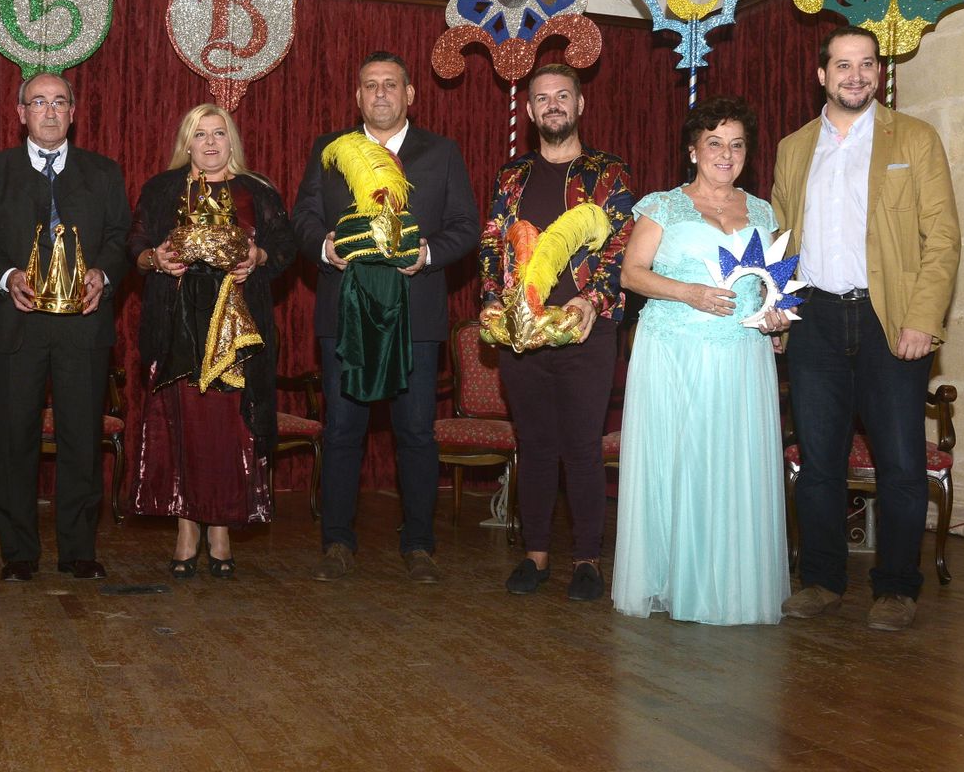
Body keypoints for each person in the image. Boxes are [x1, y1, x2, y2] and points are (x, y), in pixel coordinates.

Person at [771, 27, 960, 631]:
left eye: (867, 64)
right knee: (820, 461)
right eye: (842, 65)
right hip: (816, 321)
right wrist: (776, 309)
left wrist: (923, 321)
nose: (856, 75)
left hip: (890, 318)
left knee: (901, 463)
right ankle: (823, 582)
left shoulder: (916, 138)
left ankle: (897, 588)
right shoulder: (793, 148)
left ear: (879, 73)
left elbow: (944, 240)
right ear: (821, 75)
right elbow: (780, 241)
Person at [292, 51, 480, 583]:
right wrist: (325, 248)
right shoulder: (330, 150)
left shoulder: (441, 153)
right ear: (357, 96)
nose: (380, 94)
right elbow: (303, 216)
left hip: (415, 315)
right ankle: (336, 542)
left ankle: (419, 543)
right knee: (343, 430)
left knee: (416, 432)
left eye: (390, 85)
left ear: (410, 95)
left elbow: (466, 226)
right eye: (370, 85)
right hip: (344, 313)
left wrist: (426, 256)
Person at [610, 96, 791, 625]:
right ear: (693, 150)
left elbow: (771, 285)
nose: (725, 154)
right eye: (714, 143)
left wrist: (776, 320)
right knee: (682, 462)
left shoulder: (762, 211)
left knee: (735, 464)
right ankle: (676, 579)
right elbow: (630, 274)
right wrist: (688, 292)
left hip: (742, 356)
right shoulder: (661, 206)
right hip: (675, 353)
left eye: (736, 145)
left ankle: (732, 585)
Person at [479, 64, 634, 602]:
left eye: (561, 96)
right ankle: (535, 554)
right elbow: (494, 242)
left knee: (582, 446)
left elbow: (622, 245)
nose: (552, 106)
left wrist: (593, 300)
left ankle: (588, 559)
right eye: (542, 98)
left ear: (580, 104)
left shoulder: (609, 173)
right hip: (525, 330)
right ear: (529, 111)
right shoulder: (512, 176)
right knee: (536, 445)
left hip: (586, 331)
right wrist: (494, 300)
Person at [0, 72, 130, 582]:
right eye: (39, 102)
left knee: (82, 439)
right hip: (17, 324)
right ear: (21, 113)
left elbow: (122, 236)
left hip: (84, 324)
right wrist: (5, 276)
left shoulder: (103, 173)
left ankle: (79, 549)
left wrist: (103, 273)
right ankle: (18, 552)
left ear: (74, 112)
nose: (51, 111)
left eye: (60, 102)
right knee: (15, 439)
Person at [125, 103, 297, 577]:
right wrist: (154, 259)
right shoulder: (163, 189)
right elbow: (134, 245)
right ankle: (186, 529)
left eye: (218, 133)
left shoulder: (256, 191)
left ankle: (220, 528)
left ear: (231, 140)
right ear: (187, 142)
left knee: (228, 431)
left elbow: (287, 246)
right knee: (183, 427)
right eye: (199, 134)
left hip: (237, 330)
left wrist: (259, 255)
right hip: (177, 328)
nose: (210, 143)